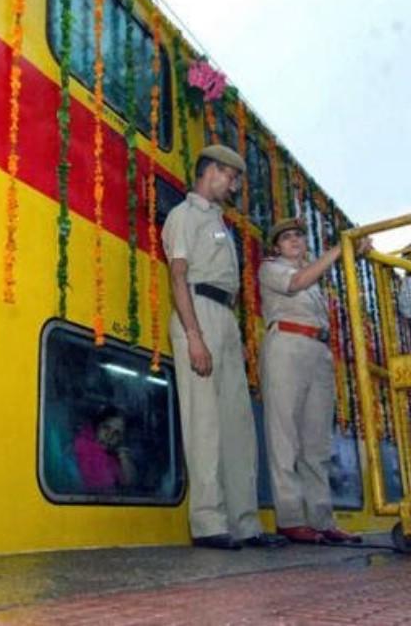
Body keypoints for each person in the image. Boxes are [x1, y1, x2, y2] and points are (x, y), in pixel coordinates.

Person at [162, 144, 287, 550]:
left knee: (237, 425)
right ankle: (209, 523)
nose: (233, 187)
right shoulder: (185, 216)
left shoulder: (218, 222)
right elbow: (178, 277)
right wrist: (195, 335)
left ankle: (245, 523)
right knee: (204, 424)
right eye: (231, 178)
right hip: (196, 311)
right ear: (212, 171)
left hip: (224, 317)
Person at [258, 218, 370, 544]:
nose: (294, 241)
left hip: (318, 350)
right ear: (276, 247)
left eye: (299, 236)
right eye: (286, 237)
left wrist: (356, 250)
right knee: (285, 438)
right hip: (286, 345)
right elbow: (296, 282)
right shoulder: (271, 268)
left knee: (317, 442)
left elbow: (312, 278)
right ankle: (290, 519)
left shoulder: (316, 282)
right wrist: (341, 247)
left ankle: (322, 519)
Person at [73, 405, 137, 491]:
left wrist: (123, 455)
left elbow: (129, 482)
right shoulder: (79, 448)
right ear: (98, 426)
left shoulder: (112, 459)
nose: (109, 436)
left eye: (116, 433)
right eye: (106, 428)